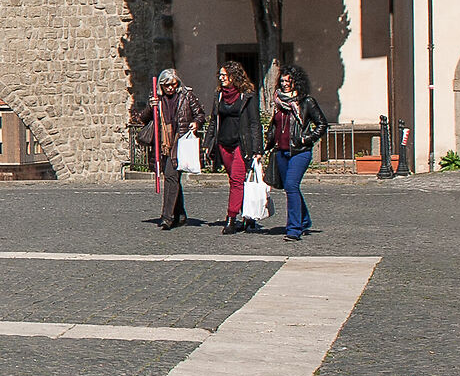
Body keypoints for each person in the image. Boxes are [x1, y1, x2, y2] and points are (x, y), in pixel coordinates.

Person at [132, 68, 207, 230]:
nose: (171, 88)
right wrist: (151, 107)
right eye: (167, 85)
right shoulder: (157, 99)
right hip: (163, 144)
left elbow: (200, 114)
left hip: (179, 143)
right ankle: (180, 214)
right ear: (161, 86)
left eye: (173, 84)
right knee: (173, 178)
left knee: (171, 178)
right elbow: (143, 119)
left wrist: (196, 123)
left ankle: (167, 217)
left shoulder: (187, 96)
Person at [267, 65, 329, 241]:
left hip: (300, 151)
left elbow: (322, 124)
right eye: (282, 81)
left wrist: (306, 139)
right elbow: (275, 125)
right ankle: (304, 219)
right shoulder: (278, 101)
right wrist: (269, 139)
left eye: (288, 81)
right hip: (281, 151)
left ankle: (294, 228)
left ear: (296, 82)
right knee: (289, 187)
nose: (285, 84)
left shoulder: (307, 102)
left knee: (292, 185)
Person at [214, 60, 264, 234]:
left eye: (224, 75)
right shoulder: (219, 95)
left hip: (240, 144)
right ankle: (248, 216)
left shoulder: (247, 95)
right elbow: (214, 120)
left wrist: (257, 149)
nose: (221, 78)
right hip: (223, 143)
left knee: (237, 180)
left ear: (233, 76)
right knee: (236, 182)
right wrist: (208, 144)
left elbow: (254, 123)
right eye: (220, 75)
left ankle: (231, 217)